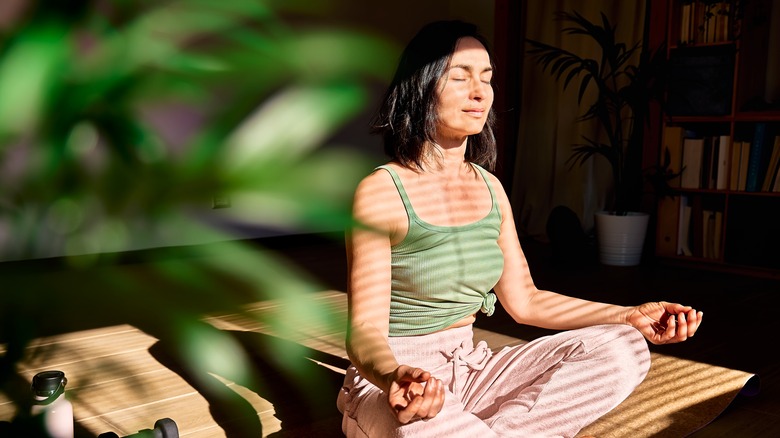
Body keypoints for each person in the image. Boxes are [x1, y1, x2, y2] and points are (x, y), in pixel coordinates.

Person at [336, 20, 702, 438]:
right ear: (420, 87)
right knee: (422, 425)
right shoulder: (381, 190)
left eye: (486, 78)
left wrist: (629, 316)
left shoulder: (490, 188)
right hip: (402, 386)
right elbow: (363, 330)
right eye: (459, 77)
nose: (480, 92)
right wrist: (394, 376)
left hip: (472, 370)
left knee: (623, 348)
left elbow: (525, 301)